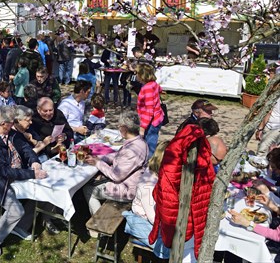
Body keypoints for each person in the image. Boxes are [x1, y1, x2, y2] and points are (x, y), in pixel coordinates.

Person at [0, 105, 48, 257]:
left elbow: (26, 149)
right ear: (4, 123)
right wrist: (32, 174)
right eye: (12, 121)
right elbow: (4, 172)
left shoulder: (11, 132)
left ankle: (20, 226)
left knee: (41, 193)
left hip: (14, 175)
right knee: (16, 210)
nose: (15, 123)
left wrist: (34, 161)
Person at [148, 122, 214, 262]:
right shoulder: (179, 155)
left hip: (187, 225)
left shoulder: (192, 154)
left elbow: (162, 193)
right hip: (182, 225)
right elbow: (167, 196)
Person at [83, 110, 149, 216]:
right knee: (92, 179)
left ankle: (99, 225)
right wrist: (100, 158)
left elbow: (116, 175)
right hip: (129, 183)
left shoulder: (132, 150)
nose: (118, 129)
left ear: (124, 128)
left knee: (88, 189)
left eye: (119, 126)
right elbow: (117, 156)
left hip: (127, 190)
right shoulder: (138, 141)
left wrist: (98, 163)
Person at [122, 141, 171, 258]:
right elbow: (154, 219)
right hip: (143, 222)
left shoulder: (156, 173)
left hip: (153, 217)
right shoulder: (149, 186)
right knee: (171, 248)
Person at [136, 63, 165, 157]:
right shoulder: (153, 84)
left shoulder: (147, 88)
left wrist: (142, 127)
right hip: (156, 117)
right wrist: (160, 91)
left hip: (152, 121)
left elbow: (149, 110)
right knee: (149, 139)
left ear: (141, 75)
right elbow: (159, 88)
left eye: (137, 74)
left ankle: (149, 160)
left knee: (150, 141)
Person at [256, 90, 280, 156]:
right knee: (273, 151)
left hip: (272, 126)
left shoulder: (275, 96)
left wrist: (260, 128)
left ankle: (260, 164)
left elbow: (268, 112)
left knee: (262, 151)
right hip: (276, 128)